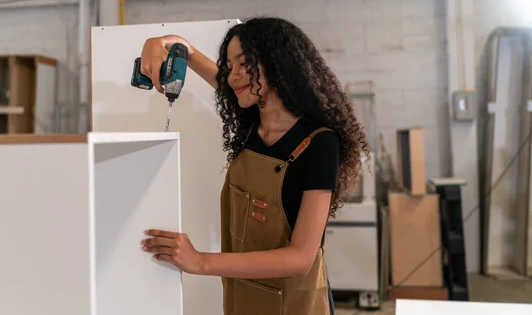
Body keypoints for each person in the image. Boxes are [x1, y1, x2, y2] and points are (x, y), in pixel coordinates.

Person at [140, 17, 369, 315]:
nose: (233, 76)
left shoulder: (320, 144)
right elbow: (190, 53)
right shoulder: (251, 127)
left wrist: (199, 261)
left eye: (244, 63)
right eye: (229, 66)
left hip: (295, 305)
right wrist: (156, 43)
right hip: (242, 295)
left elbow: (300, 258)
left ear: (278, 63)